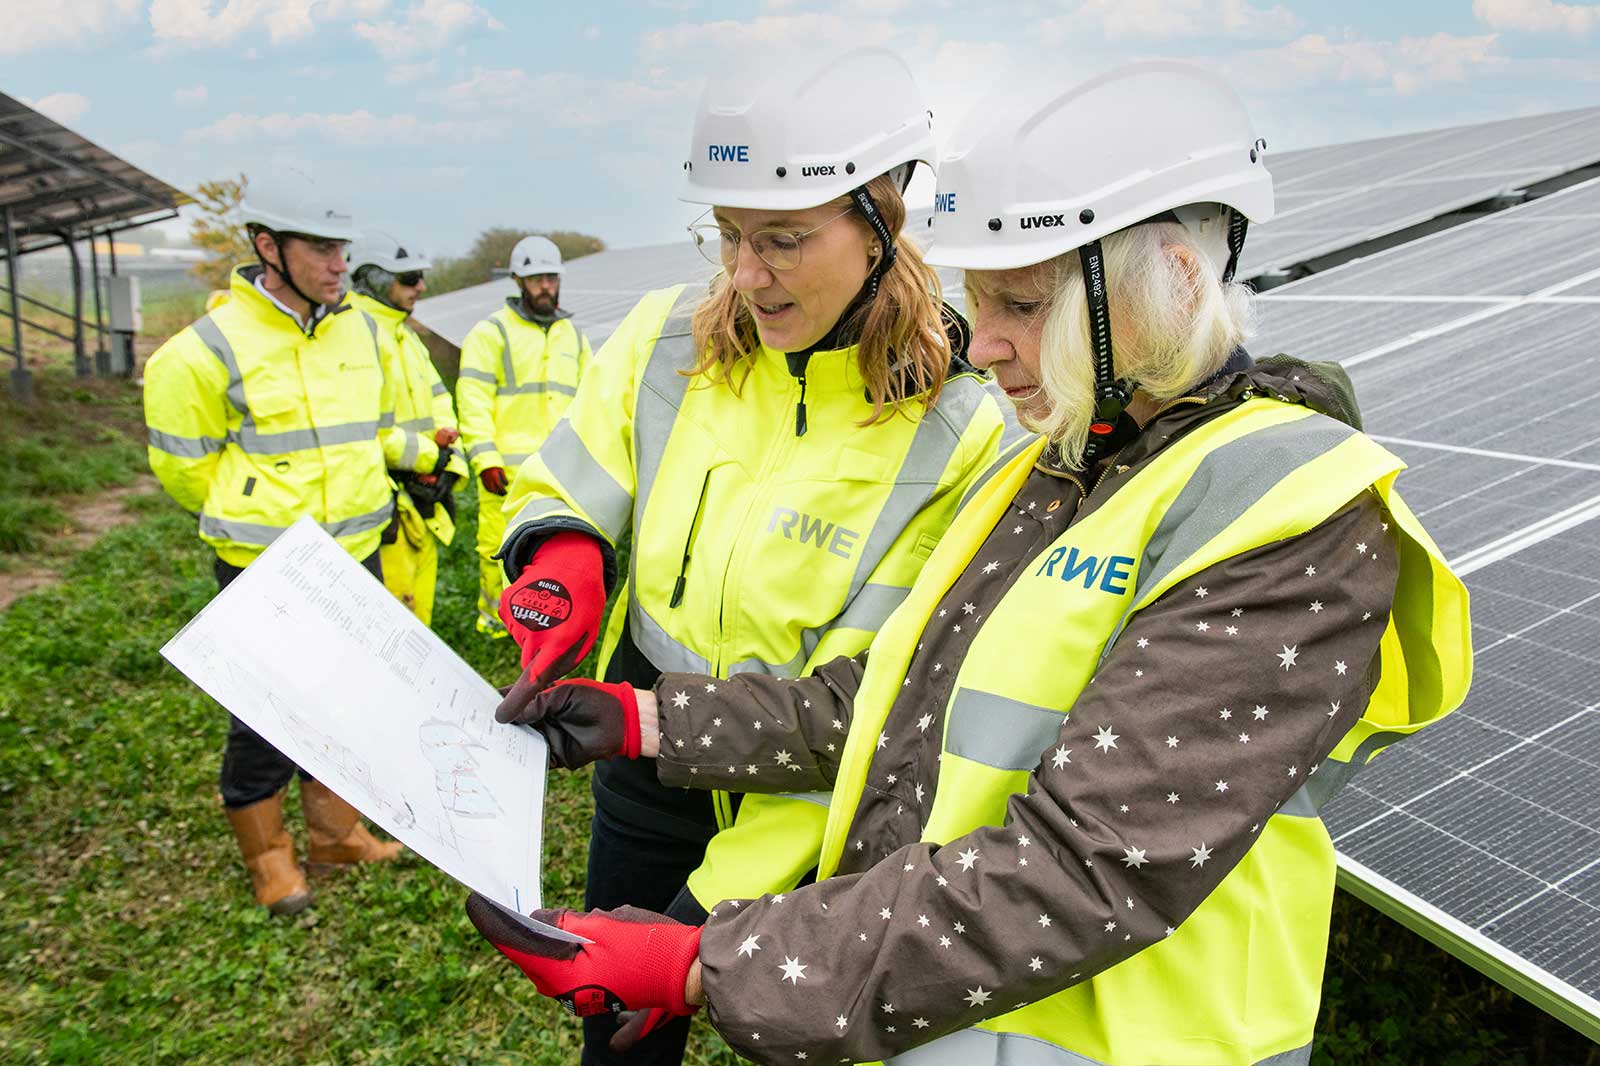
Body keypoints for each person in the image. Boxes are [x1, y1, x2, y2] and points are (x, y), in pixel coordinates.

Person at [473, 62, 1473, 1065]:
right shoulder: (1057, 470)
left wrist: (706, 965)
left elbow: (1083, 867)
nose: (983, 345)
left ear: (1169, 281)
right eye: (977, 300)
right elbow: (892, 702)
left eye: (1024, 305)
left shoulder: (1287, 518)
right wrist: (645, 717)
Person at [490, 48, 1022, 1066]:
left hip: (807, 799)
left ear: (884, 217)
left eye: (779, 239)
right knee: (616, 1029)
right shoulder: (664, 344)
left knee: (776, 1025)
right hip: (637, 751)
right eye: (728, 235)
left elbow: (871, 702)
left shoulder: (960, 431)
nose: (742, 273)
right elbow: (571, 473)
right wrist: (561, 552)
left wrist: (705, 910)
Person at [143, 173, 405, 916]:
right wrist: (257, 516)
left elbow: (373, 427)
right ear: (267, 247)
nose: (337, 264)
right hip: (266, 567)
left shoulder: (363, 329)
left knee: (350, 701)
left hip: (359, 554)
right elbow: (184, 466)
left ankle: (335, 836)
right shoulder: (205, 349)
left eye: (341, 249)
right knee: (267, 715)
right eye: (320, 248)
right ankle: (269, 862)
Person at [455, 235, 593, 636]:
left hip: (558, 473)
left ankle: (542, 627)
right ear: (517, 280)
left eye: (551, 277)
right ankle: (495, 626)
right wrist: (485, 460)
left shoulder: (574, 336)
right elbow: (473, 399)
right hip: (505, 475)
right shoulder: (491, 334)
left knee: (553, 552)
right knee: (496, 550)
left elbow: (589, 402)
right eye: (536, 279)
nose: (545, 286)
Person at [347, 230, 468, 625]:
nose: (422, 286)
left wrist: (446, 456)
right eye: (409, 277)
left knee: (417, 609)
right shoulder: (355, 333)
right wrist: (432, 456)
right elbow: (364, 426)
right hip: (385, 501)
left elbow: (438, 398)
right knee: (390, 618)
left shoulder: (405, 335)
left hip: (417, 495)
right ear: (375, 278)